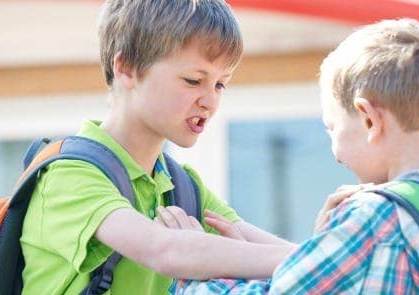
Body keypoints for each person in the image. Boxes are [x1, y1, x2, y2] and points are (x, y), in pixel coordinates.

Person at [173, 18, 419, 294]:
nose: (335, 155)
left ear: (369, 119)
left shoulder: (377, 219)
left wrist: (195, 268)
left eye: (332, 128)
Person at [19, 0, 295, 294]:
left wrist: (335, 252)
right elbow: (165, 251)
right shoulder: (68, 175)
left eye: (220, 85)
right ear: (127, 68)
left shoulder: (182, 188)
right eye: (194, 80)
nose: (210, 101)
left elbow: (272, 249)